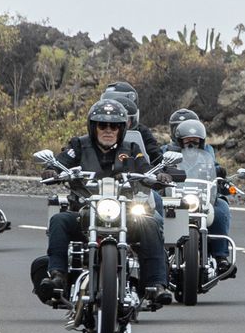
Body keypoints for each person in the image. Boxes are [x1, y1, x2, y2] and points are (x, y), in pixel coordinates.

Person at [37, 97, 176, 308]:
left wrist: (160, 177)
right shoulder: (79, 146)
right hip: (85, 212)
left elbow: (146, 169)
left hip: (125, 214)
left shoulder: (131, 149)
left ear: (122, 129)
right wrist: (53, 170)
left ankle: (156, 284)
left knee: (151, 223)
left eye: (114, 126)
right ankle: (58, 276)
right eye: (103, 125)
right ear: (94, 127)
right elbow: (63, 161)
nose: (108, 130)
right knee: (59, 220)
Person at [163, 117, 234, 263]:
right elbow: (155, 167)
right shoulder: (166, 152)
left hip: (201, 196)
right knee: (153, 211)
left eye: (195, 141)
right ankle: (158, 253)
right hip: (173, 197)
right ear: (179, 140)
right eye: (187, 141)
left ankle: (221, 256)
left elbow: (214, 170)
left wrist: (220, 174)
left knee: (222, 208)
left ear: (201, 142)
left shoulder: (207, 154)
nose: (191, 145)